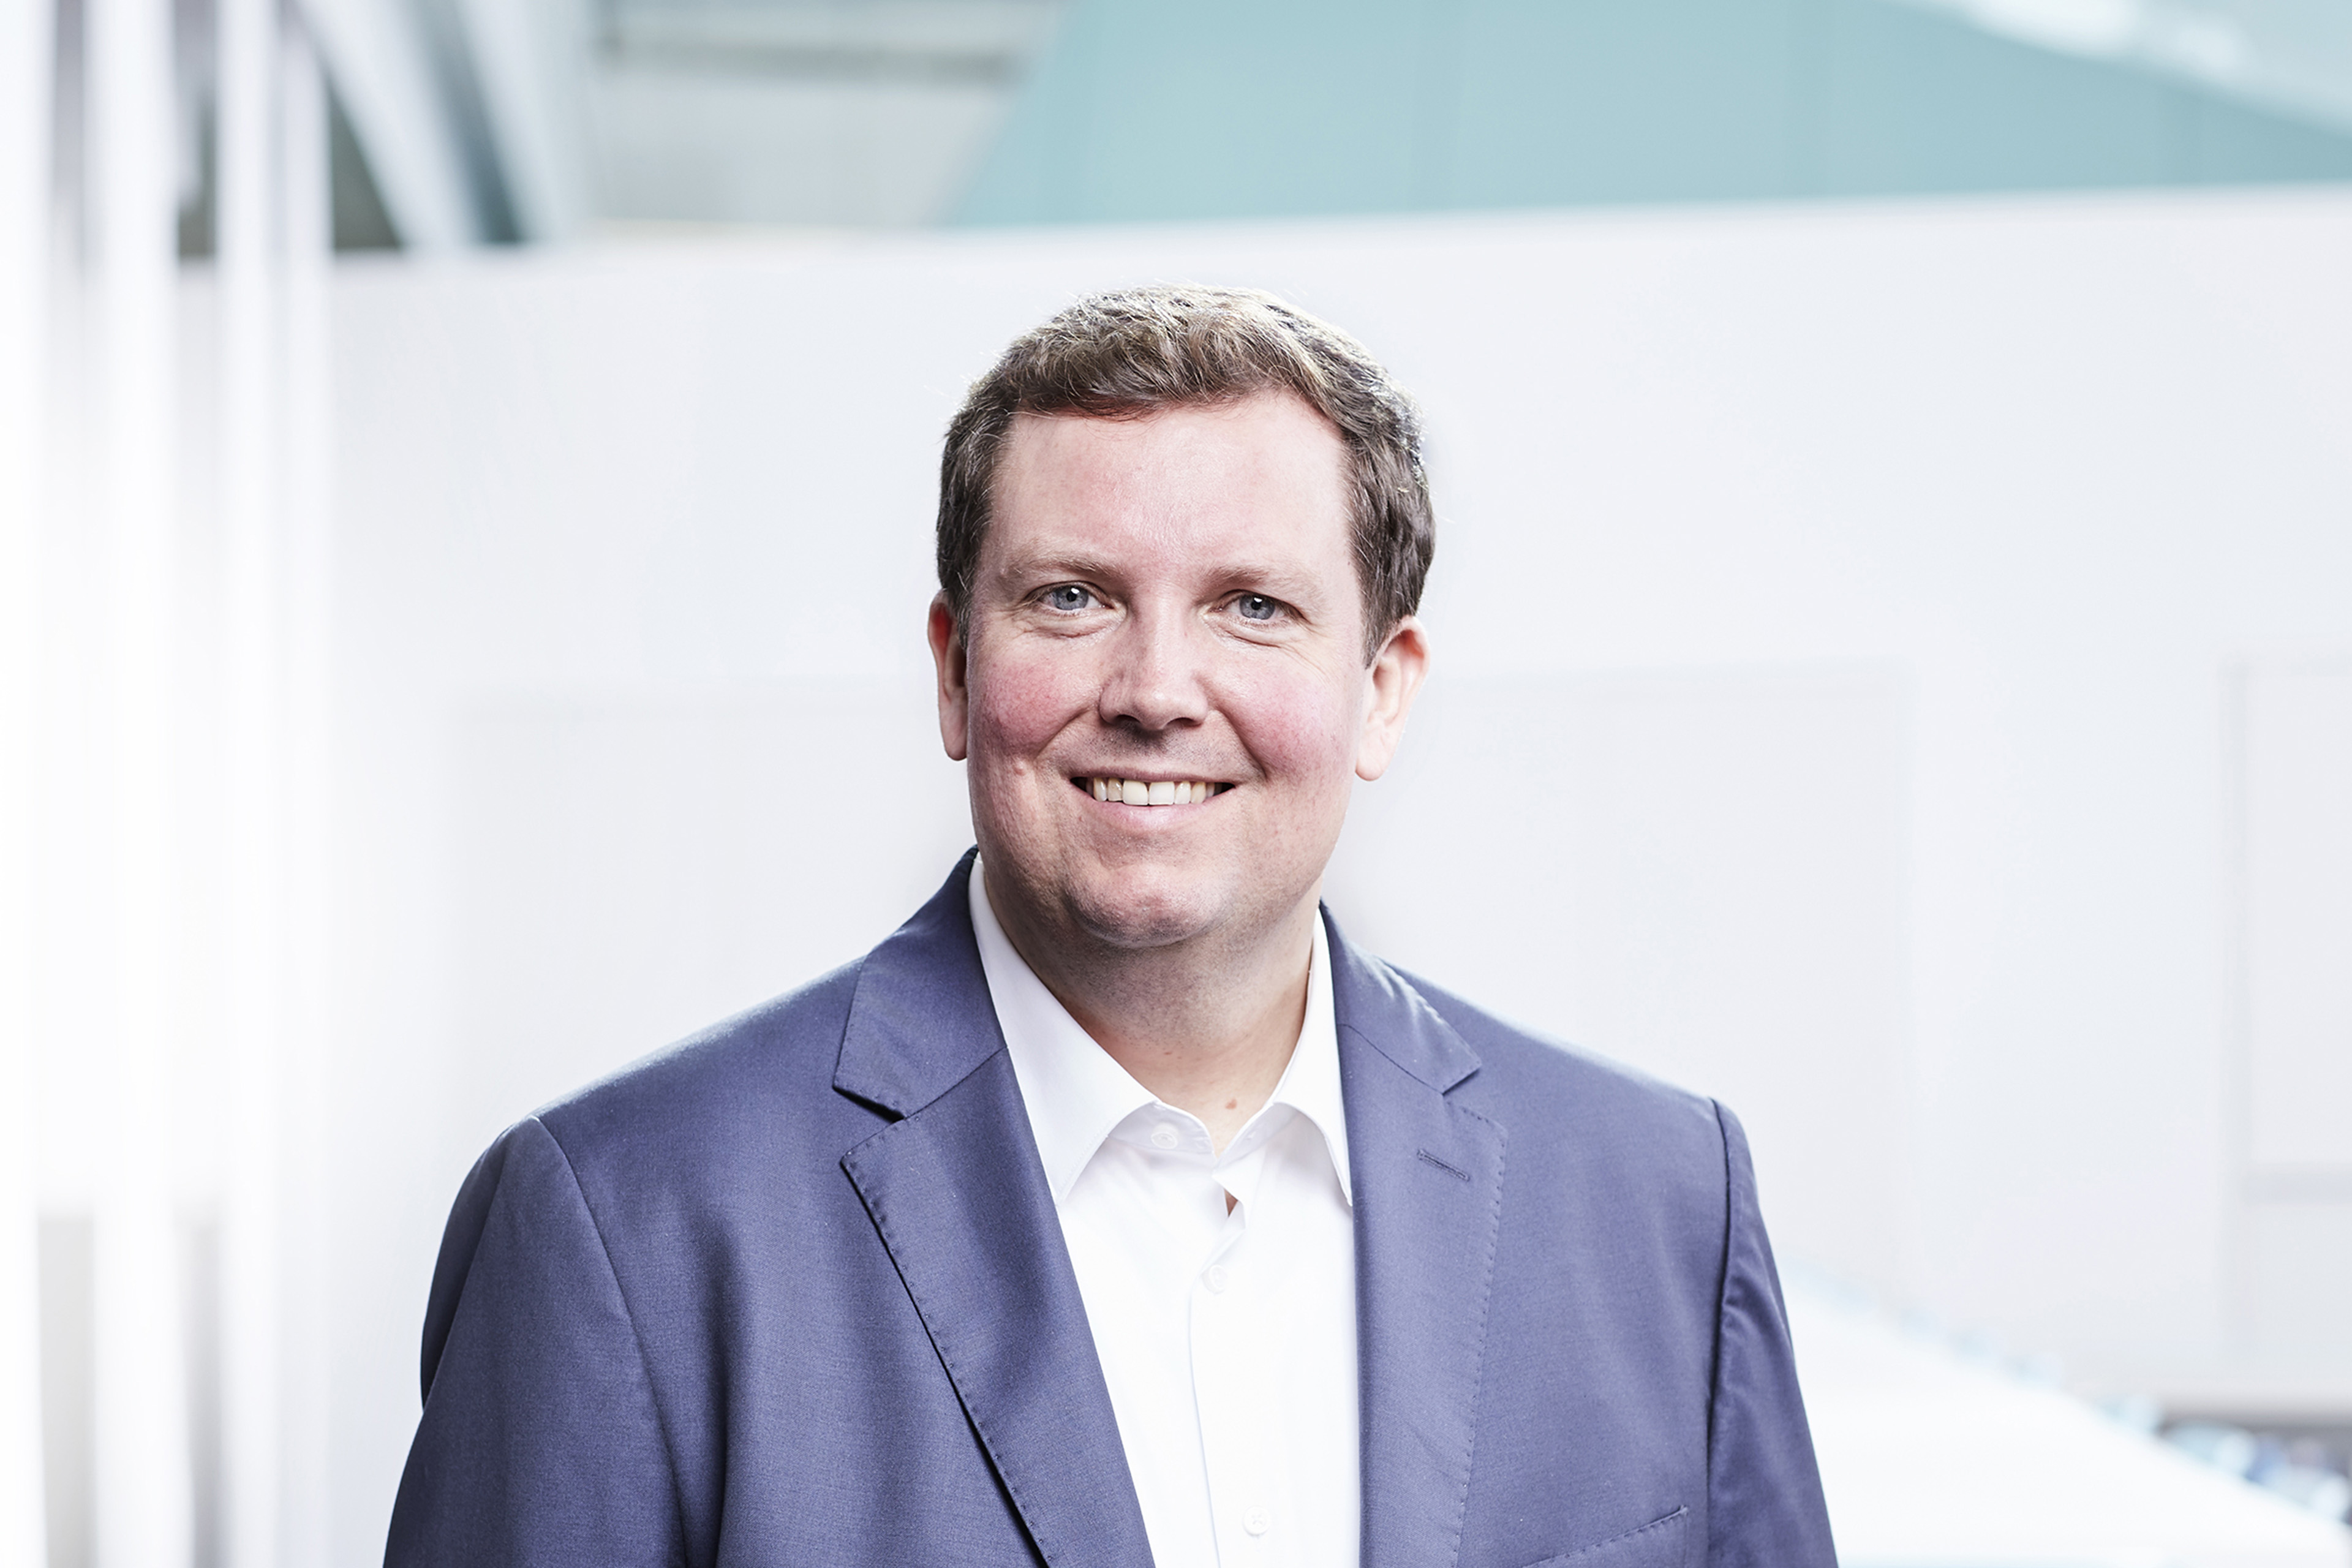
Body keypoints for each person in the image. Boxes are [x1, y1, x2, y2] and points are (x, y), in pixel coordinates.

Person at [384, 285, 1837, 1568]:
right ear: (955, 671)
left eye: (1252, 606)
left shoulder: (1659, 1204)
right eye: (1072, 597)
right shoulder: (624, 1227)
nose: (1155, 689)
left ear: (1383, 690)